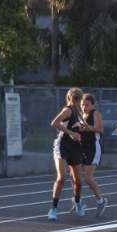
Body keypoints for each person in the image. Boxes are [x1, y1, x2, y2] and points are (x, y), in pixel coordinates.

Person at [48, 87, 85, 220]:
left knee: (78, 181)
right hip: (63, 146)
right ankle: (53, 208)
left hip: (75, 147)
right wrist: (71, 133)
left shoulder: (78, 112)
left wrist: (80, 130)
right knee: (62, 177)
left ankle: (78, 201)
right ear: (77, 99)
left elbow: (75, 127)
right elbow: (55, 123)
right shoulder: (68, 110)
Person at [79, 93, 108, 217]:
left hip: (93, 147)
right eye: (82, 105)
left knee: (88, 178)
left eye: (87, 105)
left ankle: (101, 201)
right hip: (81, 147)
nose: (84, 107)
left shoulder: (95, 113)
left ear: (93, 104)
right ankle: (78, 200)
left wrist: (89, 127)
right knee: (74, 175)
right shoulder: (81, 115)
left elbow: (101, 130)